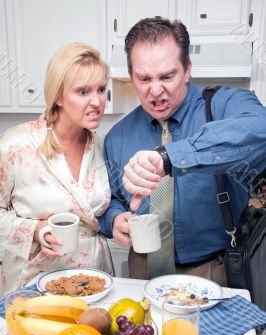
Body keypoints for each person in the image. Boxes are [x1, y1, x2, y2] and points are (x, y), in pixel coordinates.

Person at [99, 17, 266, 285]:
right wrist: (114, 219)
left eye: (167, 76)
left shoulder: (222, 105)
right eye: (144, 79)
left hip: (213, 271)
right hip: (141, 271)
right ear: (131, 76)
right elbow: (111, 200)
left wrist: (169, 157)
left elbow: (261, 129)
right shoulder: (117, 136)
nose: (155, 91)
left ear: (187, 69)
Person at [0, 42, 114, 295]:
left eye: (101, 89)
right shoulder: (17, 144)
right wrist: (36, 230)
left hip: (94, 279)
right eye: (83, 91)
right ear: (59, 96)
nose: (97, 101)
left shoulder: (100, 146)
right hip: (33, 281)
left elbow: (102, 211)